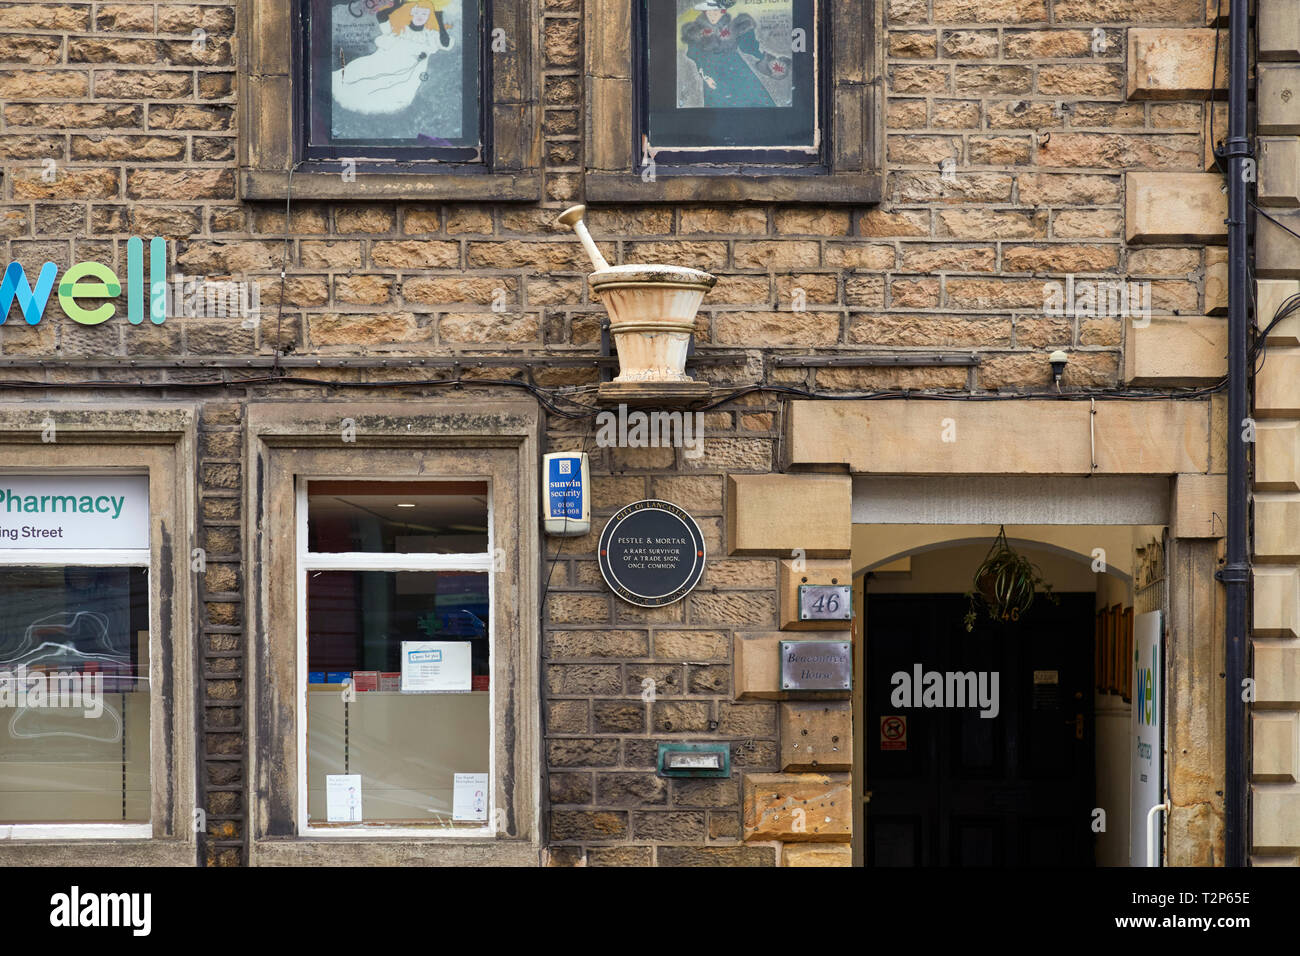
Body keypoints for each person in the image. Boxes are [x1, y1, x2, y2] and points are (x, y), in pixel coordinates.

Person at [331, 0, 453, 116]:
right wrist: (398, 6)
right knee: (360, 78)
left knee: (394, 95)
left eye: (425, 13)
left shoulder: (429, 36)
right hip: (386, 61)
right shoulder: (399, 29)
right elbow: (381, 16)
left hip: (408, 73)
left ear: (429, 16)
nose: (420, 16)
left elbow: (445, 43)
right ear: (411, 12)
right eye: (417, 12)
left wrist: (439, 17)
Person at [680, 0, 790, 110]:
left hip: (738, 71)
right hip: (715, 74)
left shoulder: (733, 26)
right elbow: (698, 58)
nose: (713, 15)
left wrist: (767, 60)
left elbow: (749, 47)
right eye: (709, 12)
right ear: (704, 12)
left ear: (723, 11)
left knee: (755, 102)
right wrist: (706, 77)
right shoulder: (695, 32)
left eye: (716, 11)